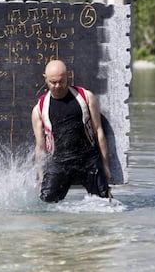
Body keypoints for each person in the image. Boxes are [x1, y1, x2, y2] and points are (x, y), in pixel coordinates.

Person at [31, 60, 111, 203]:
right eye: (52, 82)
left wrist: (105, 165)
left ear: (68, 76)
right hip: (59, 162)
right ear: (45, 79)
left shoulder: (86, 97)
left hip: (88, 160)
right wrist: (41, 175)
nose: (57, 86)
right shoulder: (39, 109)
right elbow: (40, 146)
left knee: (105, 204)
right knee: (45, 206)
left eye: (61, 81)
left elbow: (99, 131)